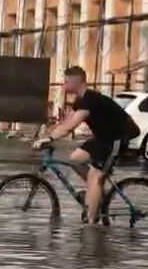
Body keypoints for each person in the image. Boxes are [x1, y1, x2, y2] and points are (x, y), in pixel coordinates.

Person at [33, 66, 140, 224]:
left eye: (67, 81)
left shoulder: (91, 100)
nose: (64, 84)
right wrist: (46, 134)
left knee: (95, 177)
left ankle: (90, 223)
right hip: (102, 138)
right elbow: (67, 121)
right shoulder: (80, 100)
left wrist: (50, 139)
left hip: (117, 138)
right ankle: (96, 192)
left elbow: (72, 125)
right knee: (74, 159)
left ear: (77, 82)